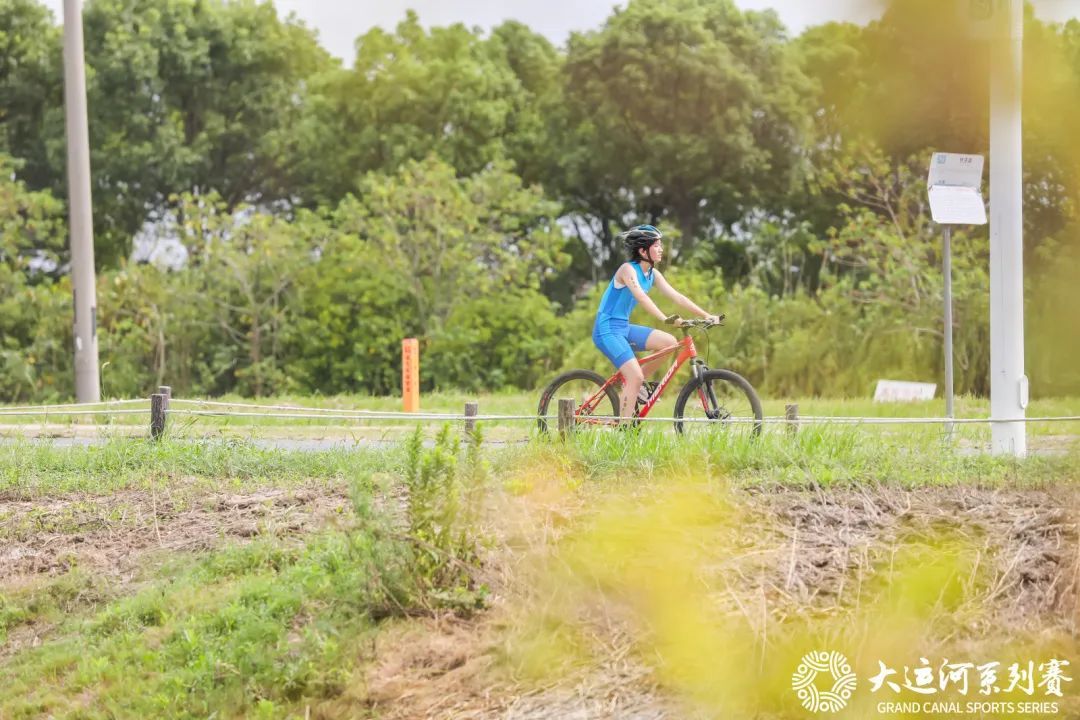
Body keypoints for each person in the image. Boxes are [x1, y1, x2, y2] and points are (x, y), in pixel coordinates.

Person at [592, 225, 721, 420]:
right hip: (606, 330)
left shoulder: (653, 274)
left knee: (668, 343)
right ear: (643, 251)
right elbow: (642, 297)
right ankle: (624, 430)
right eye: (657, 246)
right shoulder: (627, 270)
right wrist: (665, 318)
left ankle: (635, 387)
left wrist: (706, 315)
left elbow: (678, 297)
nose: (661, 249)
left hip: (623, 328)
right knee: (635, 375)